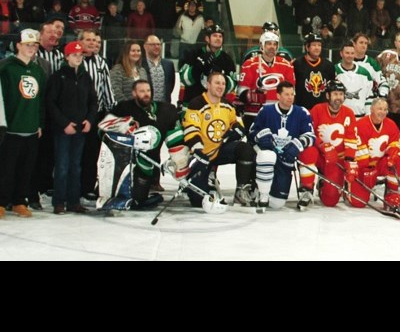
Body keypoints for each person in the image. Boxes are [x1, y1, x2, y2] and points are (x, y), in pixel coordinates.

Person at [177, 70, 257, 207]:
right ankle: (196, 184)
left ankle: (241, 191)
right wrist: (198, 149)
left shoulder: (227, 105)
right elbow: (191, 129)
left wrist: (237, 130)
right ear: (208, 85)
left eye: (223, 83)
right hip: (200, 155)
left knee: (246, 149)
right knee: (198, 201)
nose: (221, 86)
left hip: (219, 150)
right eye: (217, 83)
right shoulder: (196, 103)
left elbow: (237, 123)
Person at [109, 79, 181, 210]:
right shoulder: (123, 108)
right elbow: (105, 130)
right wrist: (125, 130)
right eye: (142, 91)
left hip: (148, 164)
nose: (146, 94)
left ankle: (145, 190)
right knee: (136, 199)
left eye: (148, 91)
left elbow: (175, 137)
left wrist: (179, 159)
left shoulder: (164, 110)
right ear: (134, 93)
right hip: (128, 163)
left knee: (139, 198)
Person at [46, 41, 97, 214]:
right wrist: (64, 124)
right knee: (62, 166)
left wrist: (89, 120)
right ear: (66, 56)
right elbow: (51, 104)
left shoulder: (85, 77)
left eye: (80, 55)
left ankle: (74, 201)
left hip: (80, 130)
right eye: (75, 55)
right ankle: (59, 201)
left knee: (76, 166)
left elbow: (93, 102)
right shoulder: (57, 77)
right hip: (63, 130)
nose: (78, 58)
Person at [0, 29, 46, 218]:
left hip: (31, 129)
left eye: (34, 45)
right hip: (11, 128)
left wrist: (40, 124)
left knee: (26, 169)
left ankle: (20, 201)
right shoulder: (6, 68)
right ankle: (2, 202)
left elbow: (41, 100)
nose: (31, 48)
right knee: (6, 169)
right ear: (18, 45)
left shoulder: (38, 71)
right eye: (28, 45)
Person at [249, 81, 315, 210]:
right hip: (270, 159)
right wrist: (262, 136)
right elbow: (251, 133)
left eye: (292, 94)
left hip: (286, 161)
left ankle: (306, 190)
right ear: (278, 96)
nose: (290, 97)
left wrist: (297, 144)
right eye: (286, 94)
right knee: (266, 155)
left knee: (276, 204)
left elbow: (311, 136)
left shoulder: (301, 112)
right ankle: (262, 193)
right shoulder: (266, 110)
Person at [298, 81, 359, 207]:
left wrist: (349, 161)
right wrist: (322, 145)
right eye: (335, 94)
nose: (339, 98)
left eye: (341, 94)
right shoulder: (317, 109)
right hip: (319, 155)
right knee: (307, 152)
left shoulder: (349, 113)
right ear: (328, 96)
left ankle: (323, 184)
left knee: (330, 201)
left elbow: (351, 138)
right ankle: (306, 189)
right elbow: (308, 132)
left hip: (336, 159)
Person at [352, 98, 400, 210]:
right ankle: (348, 187)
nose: (383, 112)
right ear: (371, 109)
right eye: (379, 109)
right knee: (358, 202)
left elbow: (394, 145)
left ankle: (392, 191)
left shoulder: (391, 124)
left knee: (399, 160)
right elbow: (359, 153)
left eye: (385, 109)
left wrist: (392, 155)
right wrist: (367, 170)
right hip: (363, 166)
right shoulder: (360, 125)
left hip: (381, 163)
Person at [237, 30, 296, 130]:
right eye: (268, 43)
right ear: (261, 45)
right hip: (254, 113)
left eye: (275, 44)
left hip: (279, 112)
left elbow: (292, 91)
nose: (272, 47)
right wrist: (253, 95)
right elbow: (241, 93)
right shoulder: (250, 64)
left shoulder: (286, 64)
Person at [179, 24, 237, 103]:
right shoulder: (193, 54)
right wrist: (197, 67)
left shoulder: (227, 59)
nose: (218, 38)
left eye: (220, 36)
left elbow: (232, 87)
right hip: (192, 105)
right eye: (215, 36)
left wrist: (221, 76)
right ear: (207, 38)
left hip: (216, 107)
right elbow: (185, 80)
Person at [291, 33, 335, 111]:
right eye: (314, 45)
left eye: (319, 45)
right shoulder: (297, 64)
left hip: (323, 110)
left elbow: (331, 89)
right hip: (302, 109)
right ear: (307, 47)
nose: (317, 48)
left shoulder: (329, 65)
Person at [142, 35, 176, 104]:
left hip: (164, 106)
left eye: (158, 44)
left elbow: (171, 85)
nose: (156, 47)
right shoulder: (140, 65)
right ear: (145, 46)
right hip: (145, 106)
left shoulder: (169, 64)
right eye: (153, 44)